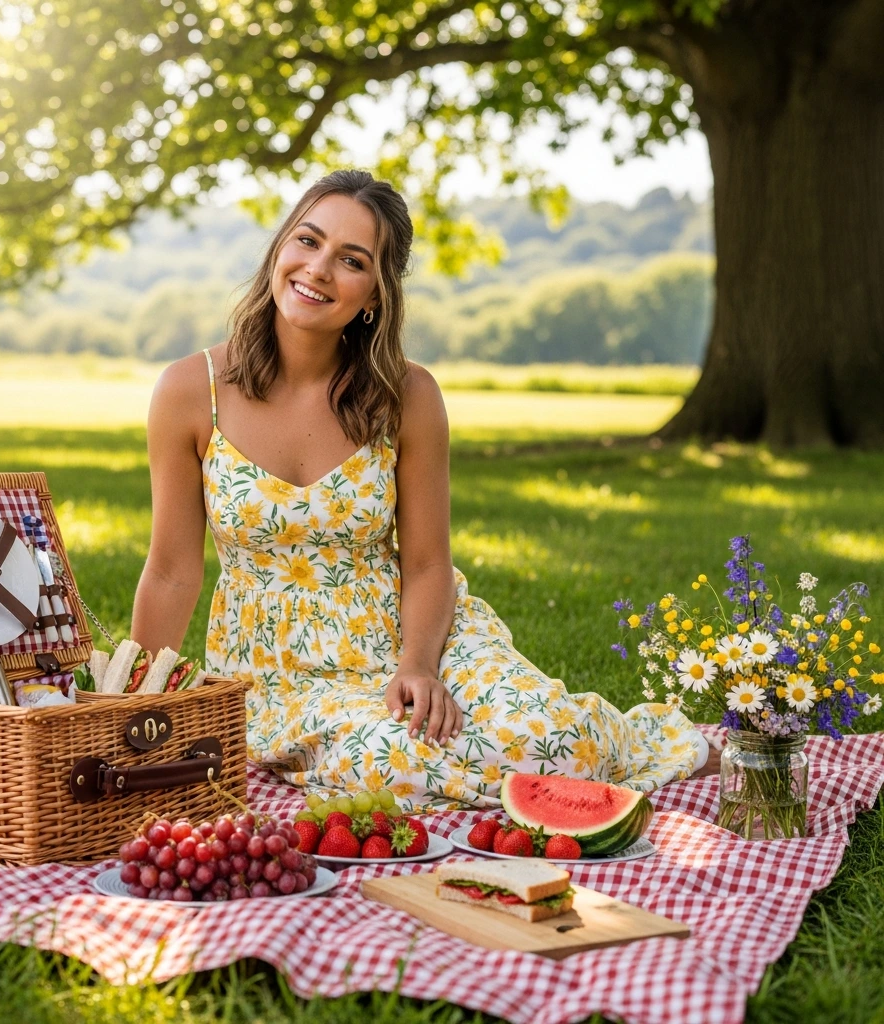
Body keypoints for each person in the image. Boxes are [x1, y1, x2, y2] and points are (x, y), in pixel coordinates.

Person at [130, 169, 708, 811]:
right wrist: (133, 709)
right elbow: (173, 571)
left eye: (351, 260)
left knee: (552, 739)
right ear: (278, 251)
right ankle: (494, 775)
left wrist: (420, 664)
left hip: (419, 632)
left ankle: (633, 739)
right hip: (281, 669)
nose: (318, 269)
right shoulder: (191, 391)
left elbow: (430, 561)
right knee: (393, 764)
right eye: (308, 241)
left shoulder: (407, 396)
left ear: (375, 293)